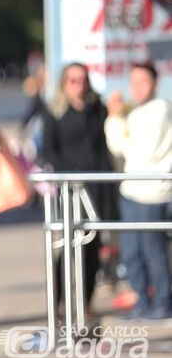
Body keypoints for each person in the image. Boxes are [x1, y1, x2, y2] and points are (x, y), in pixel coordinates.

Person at [41, 62, 115, 315]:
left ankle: (87, 301)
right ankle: (59, 302)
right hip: (70, 190)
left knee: (92, 249)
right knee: (67, 248)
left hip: (97, 186)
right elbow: (48, 151)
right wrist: (67, 174)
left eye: (82, 80)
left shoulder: (98, 108)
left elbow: (106, 145)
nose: (79, 86)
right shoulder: (55, 112)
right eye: (73, 81)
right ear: (64, 84)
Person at [105, 61, 172, 319]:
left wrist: (117, 124)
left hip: (153, 193)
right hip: (131, 191)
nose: (136, 87)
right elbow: (119, 147)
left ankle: (162, 304)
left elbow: (139, 151)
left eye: (142, 81)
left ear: (155, 83)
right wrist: (115, 118)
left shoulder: (160, 111)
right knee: (131, 252)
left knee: (152, 251)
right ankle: (143, 302)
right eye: (133, 82)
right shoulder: (135, 113)